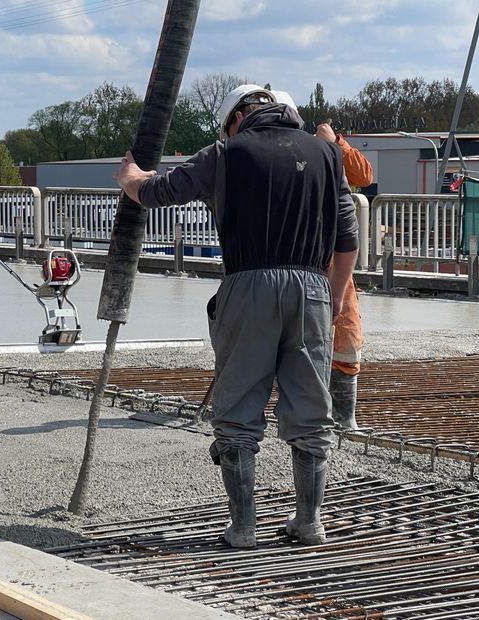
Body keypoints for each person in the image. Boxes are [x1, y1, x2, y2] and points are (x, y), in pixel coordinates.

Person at [115, 84, 358, 548]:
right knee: (311, 411)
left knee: (239, 410)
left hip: (248, 286)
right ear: (287, 113)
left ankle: (243, 528)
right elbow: (347, 239)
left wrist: (130, 178)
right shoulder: (328, 155)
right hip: (312, 290)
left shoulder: (225, 152)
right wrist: (335, 298)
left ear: (236, 118)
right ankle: (309, 523)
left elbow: (159, 191)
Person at [315, 120, 372, 431]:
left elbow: (364, 175)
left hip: (334, 254)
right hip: (303, 254)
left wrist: (337, 142)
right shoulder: (295, 152)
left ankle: (344, 417)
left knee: (346, 331)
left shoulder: (334, 151)